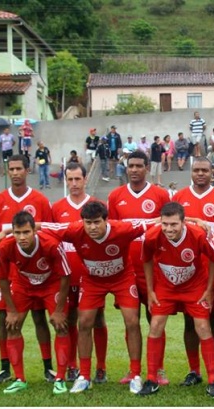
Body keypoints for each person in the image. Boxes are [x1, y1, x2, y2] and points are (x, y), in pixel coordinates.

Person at [40, 201, 148, 394]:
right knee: (84, 322)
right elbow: (40, 226)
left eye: (97, 222)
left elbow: (158, 221)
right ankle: (84, 376)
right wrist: (5, 233)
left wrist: (193, 220)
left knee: (132, 321)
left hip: (122, 278)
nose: (92, 227)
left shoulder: (123, 228)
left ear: (106, 220)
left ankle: (136, 374)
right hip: (92, 280)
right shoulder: (74, 230)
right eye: (88, 222)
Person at [138, 202, 214, 397]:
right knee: (156, 324)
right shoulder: (152, 236)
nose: (169, 229)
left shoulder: (198, 234)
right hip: (165, 287)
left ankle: (212, 379)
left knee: (202, 327)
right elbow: (147, 260)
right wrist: (150, 290)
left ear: (183, 222)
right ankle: (151, 378)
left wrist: (209, 290)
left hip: (194, 287)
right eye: (165, 224)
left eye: (174, 224)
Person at [172, 157, 214, 388]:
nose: (200, 174)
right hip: (187, 270)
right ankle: (194, 371)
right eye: (197, 170)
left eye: (205, 170)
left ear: (213, 172)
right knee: (190, 321)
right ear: (191, 172)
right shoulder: (180, 197)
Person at [0, 154, 54, 384]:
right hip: (9, 274)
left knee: (39, 318)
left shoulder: (40, 200)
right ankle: (6, 367)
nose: (15, 173)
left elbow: (47, 233)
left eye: (19, 169)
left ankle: (48, 367)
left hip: (35, 273)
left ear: (28, 170)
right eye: (12, 169)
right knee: (6, 318)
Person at [107, 150, 171, 386]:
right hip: (126, 269)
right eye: (130, 165)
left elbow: (169, 227)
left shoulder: (160, 194)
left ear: (147, 168)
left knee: (156, 318)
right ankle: (134, 370)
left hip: (154, 269)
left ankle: (158, 369)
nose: (134, 170)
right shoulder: (115, 196)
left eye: (138, 166)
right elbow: (111, 231)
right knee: (130, 320)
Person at [0, 211, 71, 394]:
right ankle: (20, 379)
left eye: (26, 232)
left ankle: (60, 378)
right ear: (12, 232)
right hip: (22, 285)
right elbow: (2, 279)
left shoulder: (51, 245)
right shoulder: (5, 247)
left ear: (34, 231)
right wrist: (10, 310)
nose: (22, 237)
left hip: (51, 284)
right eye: (17, 233)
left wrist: (59, 310)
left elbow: (65, 276)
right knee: (12, 326)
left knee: (61, 325)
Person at [51, 163, 108, 383]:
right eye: (70, 179)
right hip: (65, 275)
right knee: (71, 318)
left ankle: (101, 367)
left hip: (92, 275)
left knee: (97, 319)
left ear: (85, 179)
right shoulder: (57, 208)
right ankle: (73, 366)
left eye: (77, 179)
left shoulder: (98, 205)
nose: (74, 184)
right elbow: (52, 240)